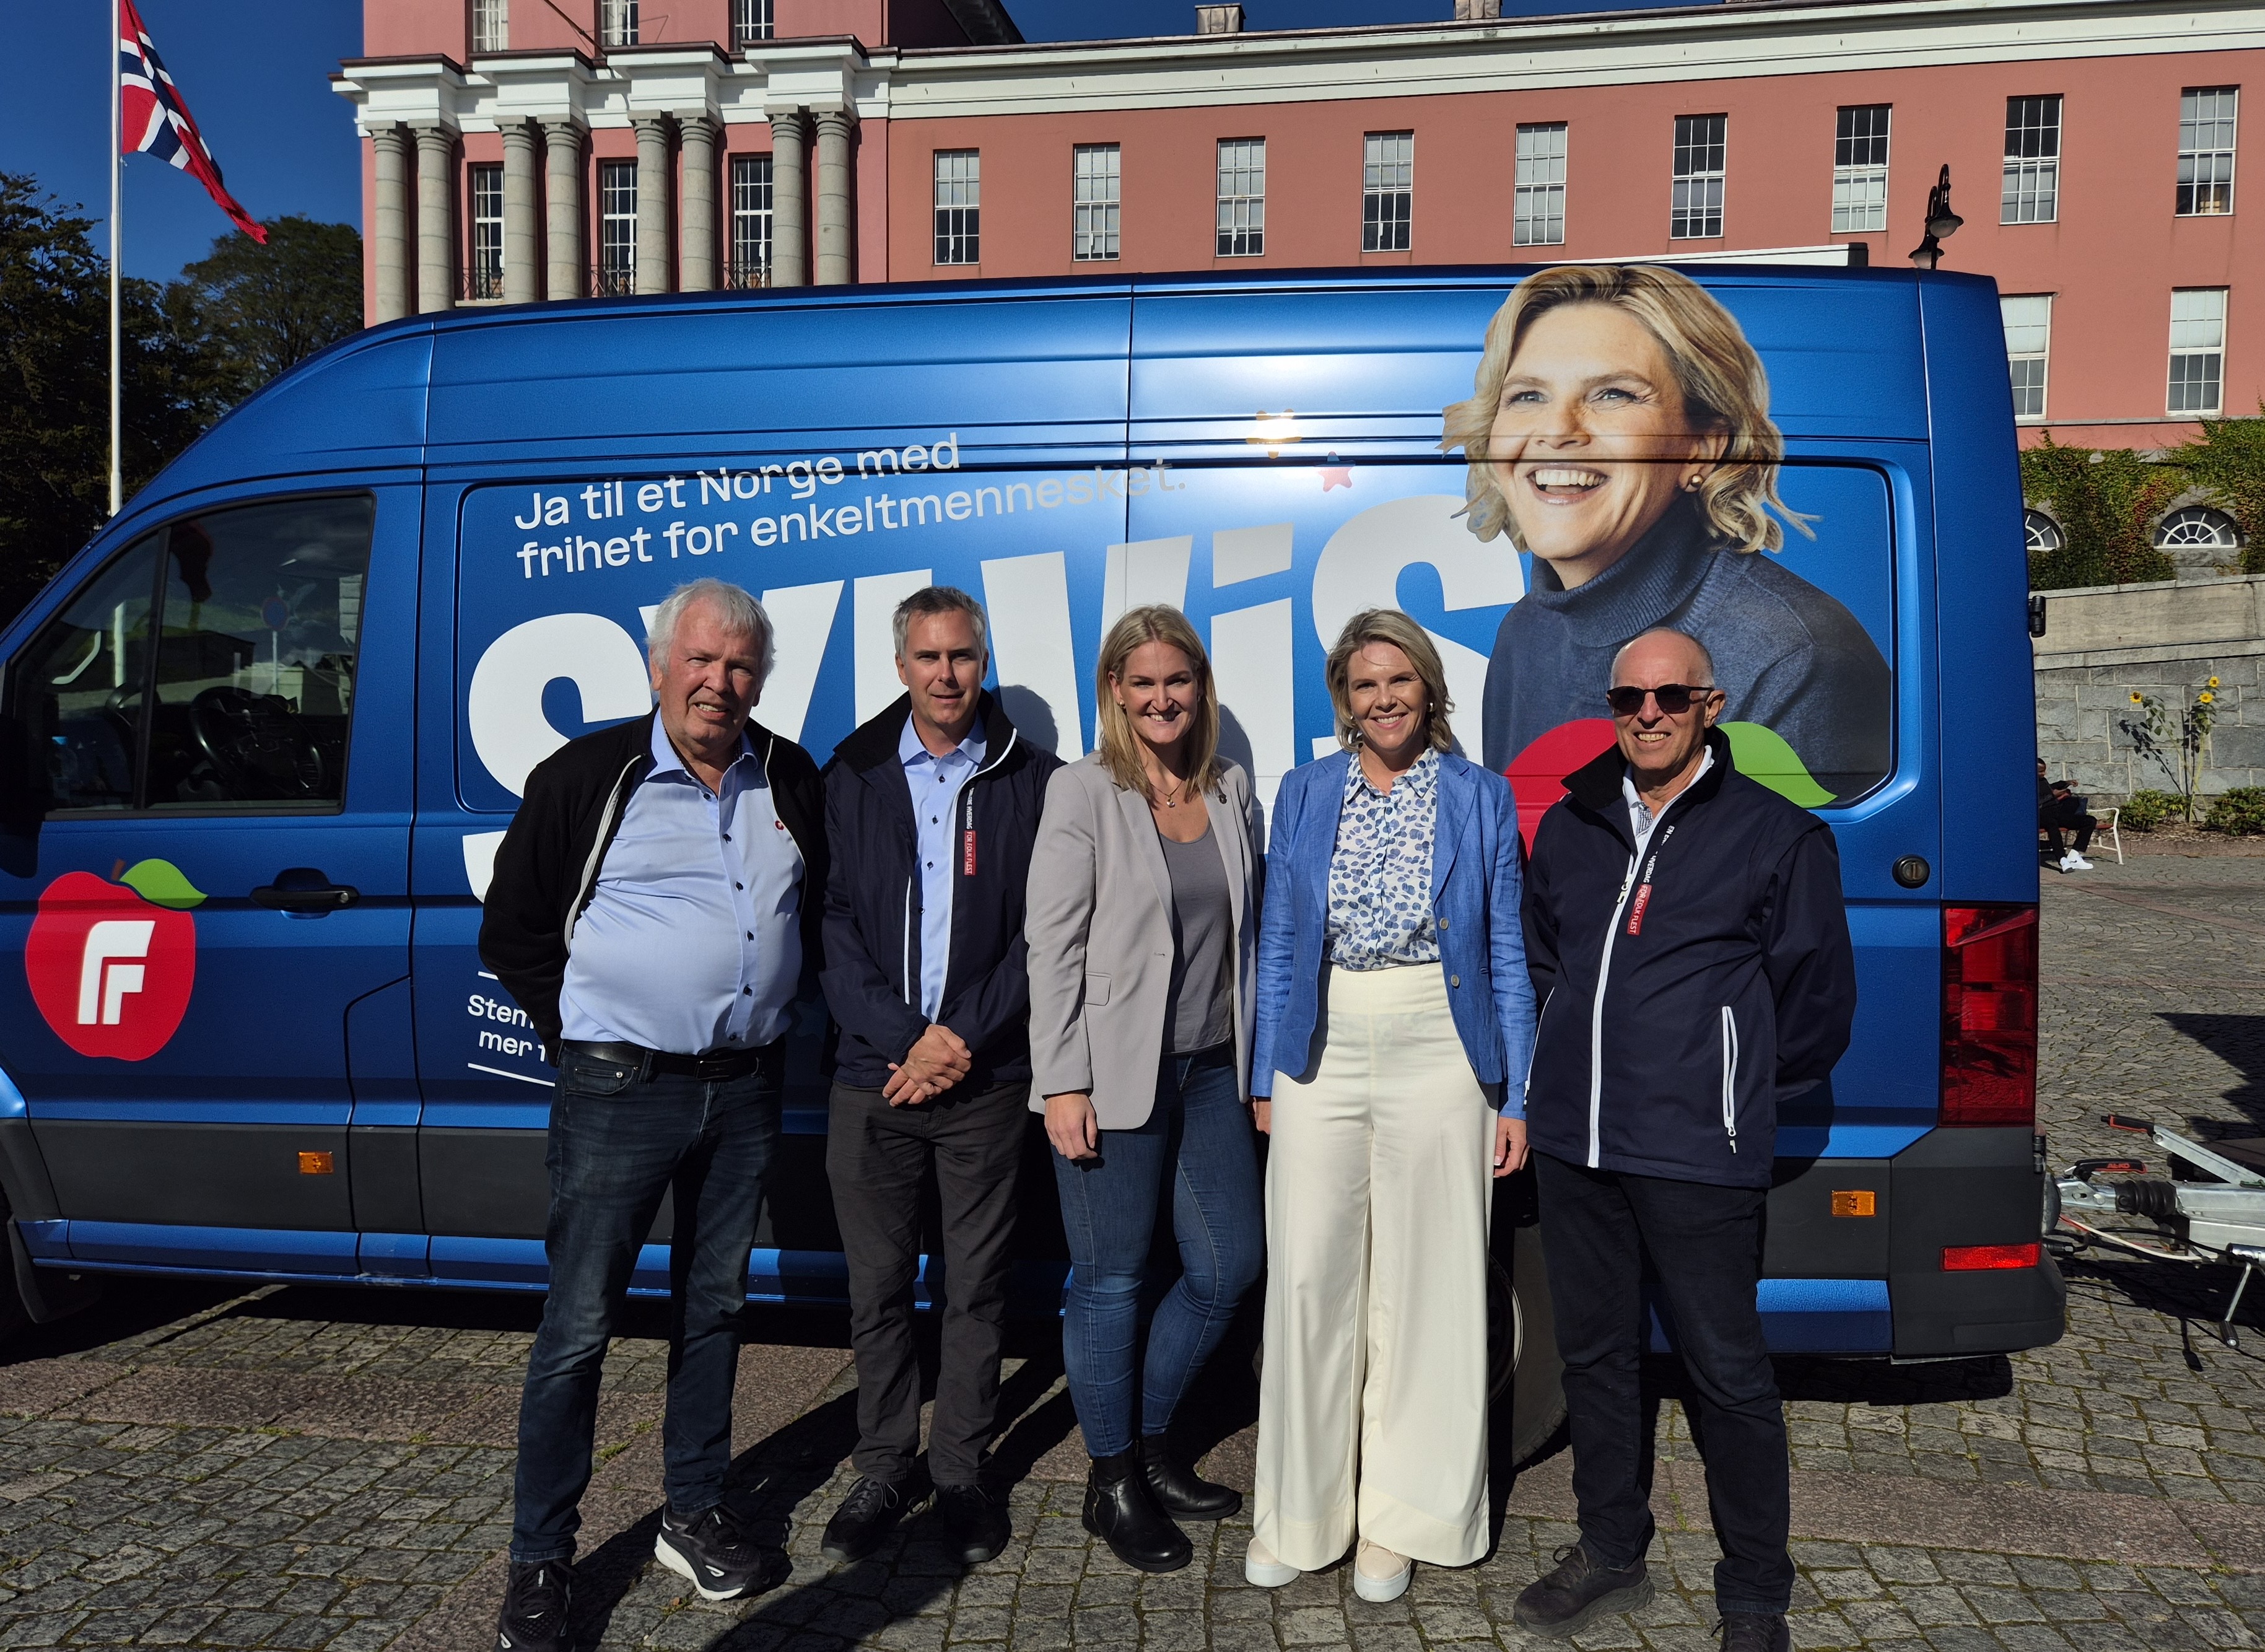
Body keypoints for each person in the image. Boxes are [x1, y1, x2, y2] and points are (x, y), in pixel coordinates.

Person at [479, 578, 827, 1652]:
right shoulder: (590, 774)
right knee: (578, 1330)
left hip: (746, 1085)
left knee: (714, 1311)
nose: (719, 683)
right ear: (659, 665)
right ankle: (541, 1560)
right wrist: (583, 1036)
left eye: (740, 667)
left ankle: (691, 1510)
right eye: (701, 661)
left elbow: (810, 909)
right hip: (618, 1090)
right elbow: (516, 929)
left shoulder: (790, 776)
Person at [1514, 627, 1856, 1651]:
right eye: (1629, 696)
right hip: (1577, 1146)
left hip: (1697, 1153)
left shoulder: (1776, 835)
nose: (1648, 713)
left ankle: (1755, 1590)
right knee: (1596, 1362)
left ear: (1711, 703)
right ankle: (1610, 1549)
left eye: (1670, 696)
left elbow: (1815, 1008)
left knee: (1727, 1374)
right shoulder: (1572, 822)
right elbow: (1542, 961)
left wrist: (1727, 1090)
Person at [1244, 608, 1537, 1604]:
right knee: (1310, 1280)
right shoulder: (1303, 790)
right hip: (1320, 1045)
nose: (1384, 698)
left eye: (1399, 679)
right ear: (1344, 697)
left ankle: (1404, 1518)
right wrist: (1261, 1076)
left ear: (1428, 687)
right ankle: (1299, 1511)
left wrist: (1514, 1094)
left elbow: (1503, 948)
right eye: (1365, 684)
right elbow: (1278, 939)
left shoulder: (1478, 795)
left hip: (1440, 1044)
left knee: (1431, 1287)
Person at [1440, 263, 1892, 800]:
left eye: (1612, 394)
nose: (1557, 430)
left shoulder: (1795, 655)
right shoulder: (1525, 633)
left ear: (1701, 447)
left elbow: (1794, 874)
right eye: (1528, 396)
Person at [817, 585, 1061, 1567]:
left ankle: (958, 1467)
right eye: (927, 657)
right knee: (876, 1286)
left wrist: (958, 1034)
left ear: (982, 658)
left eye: (962, 656)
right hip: (871, 1076)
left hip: (985, 1075)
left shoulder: (1031, 777)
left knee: (975, 1289)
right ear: (900, 664)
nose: (946, 675)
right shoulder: (855, 770)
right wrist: (904, 1041)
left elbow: (1044, 931)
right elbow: (828, 925)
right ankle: (884, 1460)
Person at [1024, 605, 1267, 1575]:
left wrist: (1265, 1064)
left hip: (1213, 1070)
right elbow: (1053, 944)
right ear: (1115, 693)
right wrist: (1061, 1081)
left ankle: (1151, 1440)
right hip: (1112, 1076)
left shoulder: (1230, 786)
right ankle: (1111, 1474)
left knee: (1225, 1266)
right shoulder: (1084, 792)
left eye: (1179, 679)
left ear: (1199, 688)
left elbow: (1250, 939)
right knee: (1113, 1278)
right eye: (1143, 681)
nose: (1162, 697)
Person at [2039, 759, 2095, 872]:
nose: (2044, 774)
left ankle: (2074, 856)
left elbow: (2051, 787)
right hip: (2042, 815)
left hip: (2056, 812)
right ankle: (2062, 859)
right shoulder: (2026, 784)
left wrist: (2066, 783)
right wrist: (2054, 795)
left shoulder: (2042, 780)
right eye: (2041, 771)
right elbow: (2039, 799)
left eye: (2044, 771)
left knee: (2090, 821)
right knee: (2053, 826)